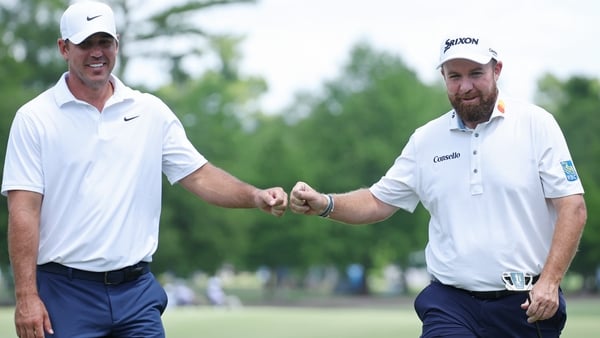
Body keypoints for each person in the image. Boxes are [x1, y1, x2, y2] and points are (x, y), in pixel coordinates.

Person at [1, 1, 287, 337]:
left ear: (117, 45)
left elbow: (199, 175)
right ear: (64, 48)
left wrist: (254, 196)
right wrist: (26, 296)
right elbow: (23, 211)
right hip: (65, 291)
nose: (97, 53)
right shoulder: (35, 118)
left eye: (104, 43)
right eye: (86, 44)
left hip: (135, 292)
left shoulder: (150, 111)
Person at [289, 34, 587, 337]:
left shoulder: (536, 124)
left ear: (497, 70)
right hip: (450, 303)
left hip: (524, 304)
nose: (465, 86)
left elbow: (572, 208)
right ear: (443, 78)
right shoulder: (426, 140)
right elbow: (378, 201)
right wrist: (326, 203)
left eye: (476, 74)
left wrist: (550, 281)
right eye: (454, 76)